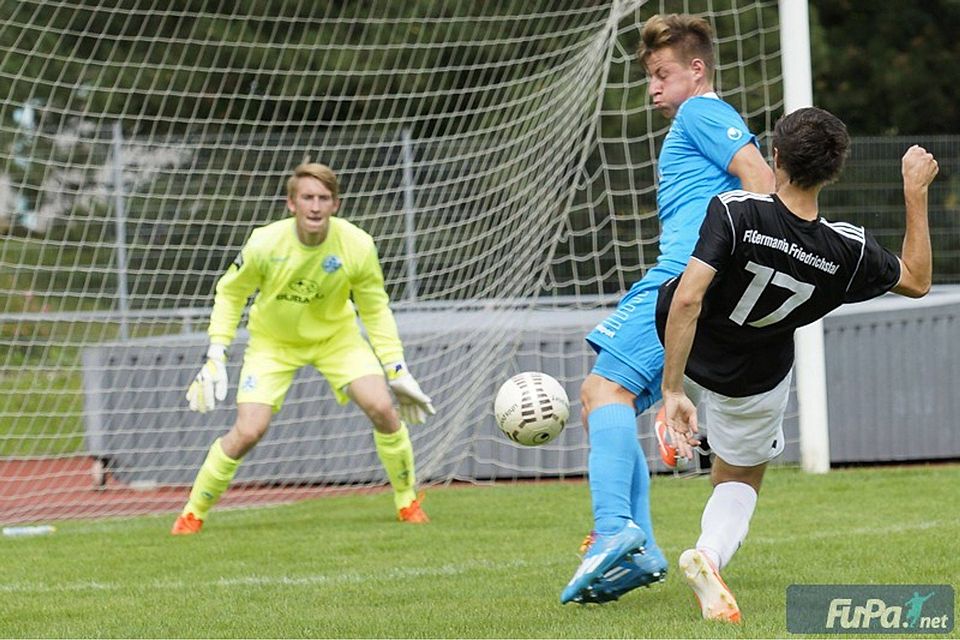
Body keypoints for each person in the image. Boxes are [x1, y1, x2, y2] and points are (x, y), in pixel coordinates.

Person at [658, 107, 938, 622]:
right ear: (833, 172)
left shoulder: (735, 211)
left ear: (776, 157)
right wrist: (914, 192)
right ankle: (709, 556)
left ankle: (619, 519)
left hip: (684, 345)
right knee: (739, 477)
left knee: (613, 385)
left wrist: (672, 389)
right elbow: (918, 281)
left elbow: (689, 300)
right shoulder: (846, 251)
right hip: (751, 379)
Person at [561, 13, 775, 604]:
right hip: (697, 286)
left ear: (696, 70)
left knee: (602, 393)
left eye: (662, 74)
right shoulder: (704, 118)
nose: (653, 87)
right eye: (649, 77)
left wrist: (720, 264)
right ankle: (640, 549)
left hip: (681, 281)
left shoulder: (702, 112)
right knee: (602, 399)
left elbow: (762, 184)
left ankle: (614, 531)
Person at [171, 162, 436, 535]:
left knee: (381, 406)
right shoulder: (264, 243)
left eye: (323, 198)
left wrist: (396, 367)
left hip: (337, 339)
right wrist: (217, 353)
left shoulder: (357, 245)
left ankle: (407, 501)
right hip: (272, 344)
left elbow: (375, 308)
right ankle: (193, 513)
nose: (315, 206)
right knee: (249, 430)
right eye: (307, 198)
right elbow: (231, 293)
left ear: (335, 204)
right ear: (291, 204)